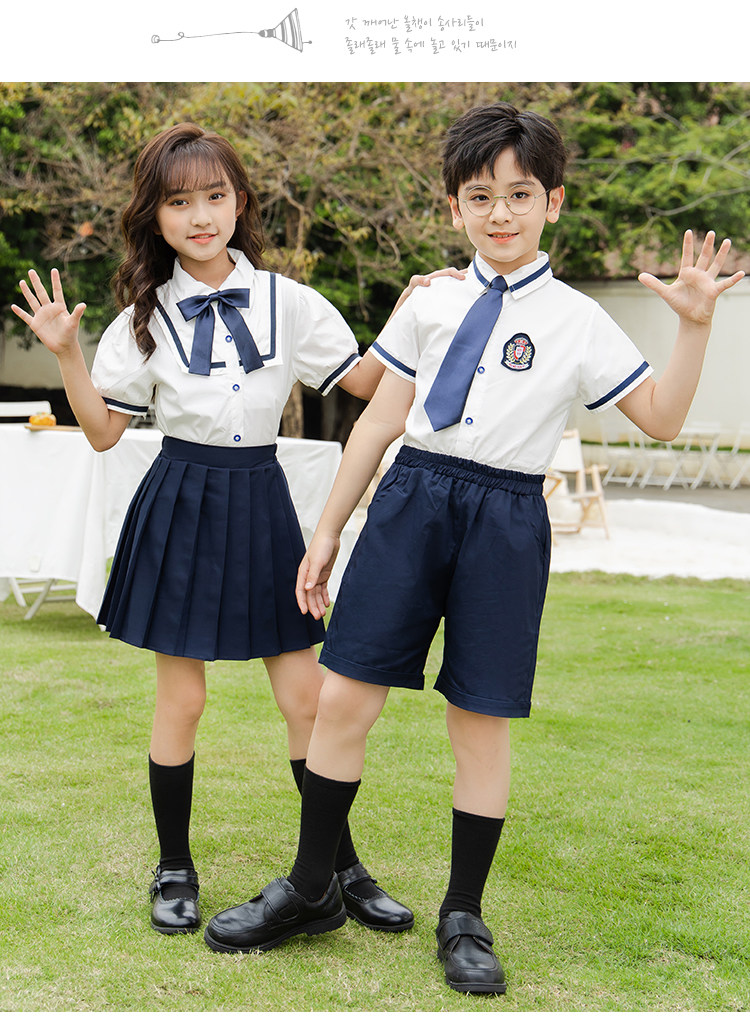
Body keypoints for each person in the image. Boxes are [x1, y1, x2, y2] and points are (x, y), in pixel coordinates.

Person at [201, 103, 745, 992]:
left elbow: (662, 417)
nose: (501, 213)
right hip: (410, 500)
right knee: (343, 699)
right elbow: (379, 419)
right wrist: (329, 528)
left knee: (479, 721)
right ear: (454, 207)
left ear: (553, 202)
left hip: (506, 518)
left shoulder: (578, 319)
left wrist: (694, 326)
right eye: (480, 196)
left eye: (520, 194)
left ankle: (463, 914)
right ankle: (309, 886)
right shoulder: (430, 300)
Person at [11, 122, 455, 938]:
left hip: (260, 498)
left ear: (240, 202)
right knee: (182, 699)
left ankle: (337, 868)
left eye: (214, 196)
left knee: (306, 696)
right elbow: (104, 433)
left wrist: (410, 312)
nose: (201, 216)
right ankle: (174, 865)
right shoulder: (143, 317)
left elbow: (365, 380)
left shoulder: (290, 300)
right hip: (180, 500)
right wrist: (67, 353)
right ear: (155, 216)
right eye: (180, 202)